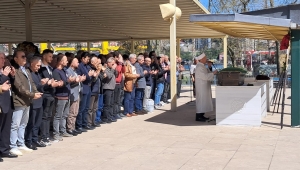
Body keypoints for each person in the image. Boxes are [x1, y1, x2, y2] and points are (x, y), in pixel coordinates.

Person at [10, 50, 42, 156]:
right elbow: (19, 87)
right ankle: (13, 146)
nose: (25, 58)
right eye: (22, 57)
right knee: (15, 125)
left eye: (25, 57)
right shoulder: (15, 70)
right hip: (19, 101)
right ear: (16, 59)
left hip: (27, 101)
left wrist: (36, 92)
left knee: (23, 124)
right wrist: (32, 95)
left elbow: (31, 83)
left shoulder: (26, 70)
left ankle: (21, 143)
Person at [25, 56, 48, 150]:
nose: (39, 67)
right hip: (33, 100)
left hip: (39, 100)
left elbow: (39, 86)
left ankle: (35, 139)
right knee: (31, 122)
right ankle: (28, 141)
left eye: (40, 65)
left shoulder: (37, 73)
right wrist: (41, 83)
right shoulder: (29, 73)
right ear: (32, 64)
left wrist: (44, 83)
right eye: (37, 65)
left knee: (37, 122)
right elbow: (32, 86)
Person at [0, 52, 18, 161]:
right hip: (1, 103)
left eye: (3, 58)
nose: (3, 60)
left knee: (6, 129)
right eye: (1, 58)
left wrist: (12, 76)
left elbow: (11, 84)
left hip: (8, 102)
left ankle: (4, 150)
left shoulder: (4, 72)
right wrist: (4, 76)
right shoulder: (3, 74)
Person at [52, 54, 74, 140]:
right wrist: (68, 81)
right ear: (60, 61)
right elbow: (59, 84)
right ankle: (56, 133)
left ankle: (63, 131)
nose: (67, 61)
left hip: (66, 95)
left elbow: (65, 81)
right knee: (58, 116)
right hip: (60, 96)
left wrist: (70, 80)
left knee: (65, 115)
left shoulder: (64, 70)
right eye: (65, 60)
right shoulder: (56, 71)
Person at [194, 53, 218, 122]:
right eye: (205, 58)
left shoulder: (202, 66)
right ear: (201, 59)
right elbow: (204, 76)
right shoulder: (199, 67)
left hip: (204, 87)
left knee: (204, 101)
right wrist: (213, 73)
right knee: (201, 101)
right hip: (201, 87)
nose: (206, 59)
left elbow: (207, 73)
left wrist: (211, 69)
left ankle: (201, 115)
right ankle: (198, 116)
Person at [66, 57, 85, 136]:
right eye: (76, 62)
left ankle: (73, 127)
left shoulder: (75, 71)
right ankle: (70, 128)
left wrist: (80, 79)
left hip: (77, 93)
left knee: (75, 112)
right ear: (72, 63)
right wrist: (76, 81)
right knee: (72, 112)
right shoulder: (68, 71)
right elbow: (68, 83)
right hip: (72, 93)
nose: (78, 63)